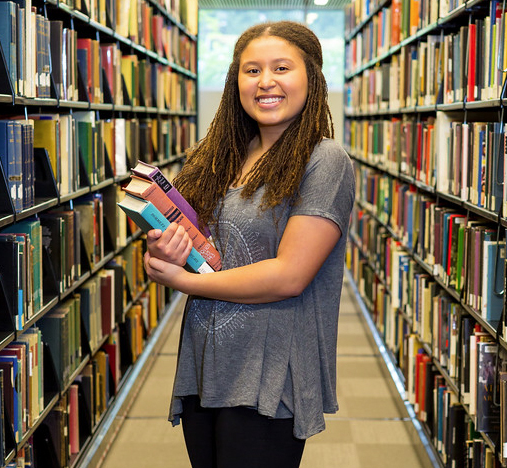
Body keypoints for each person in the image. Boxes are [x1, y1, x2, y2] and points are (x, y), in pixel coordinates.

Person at [143, 20, 355, 468]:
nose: (266, 82)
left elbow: (290, 275)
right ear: (234, 80)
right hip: (207, 360)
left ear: (312, 78)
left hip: (268, 373)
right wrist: (167, 252)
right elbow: (206, 253)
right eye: (251, 70)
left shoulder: (325, 160)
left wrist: (186, 282)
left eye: (282, 67)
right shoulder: (223, 153)